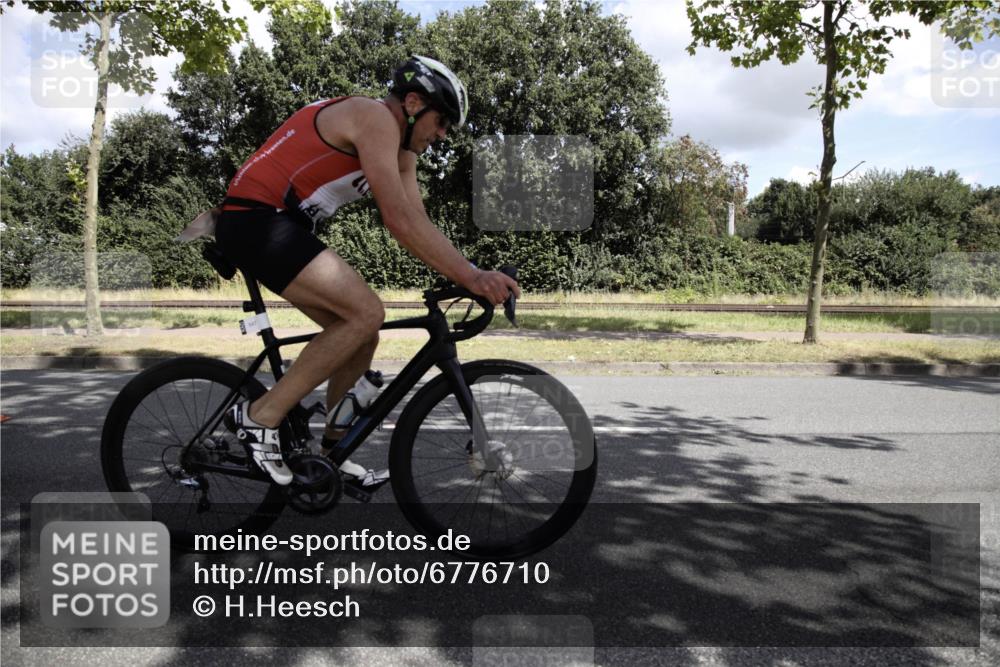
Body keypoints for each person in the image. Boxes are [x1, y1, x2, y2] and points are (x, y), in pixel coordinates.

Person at [214, 55, 520, 485]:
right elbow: (397, 218)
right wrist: (471, 277)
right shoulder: (374, 117)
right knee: (365, 312)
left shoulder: (402, 153)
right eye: (442, 121)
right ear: (413, 103)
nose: (443, 135)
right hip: (256, 220)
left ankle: (331, 453)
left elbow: (417, 224)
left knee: (360, 332)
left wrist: (468, 272)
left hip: (274, 226)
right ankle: (259, 418)